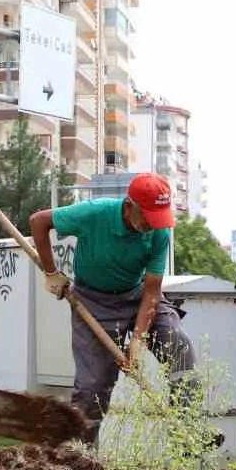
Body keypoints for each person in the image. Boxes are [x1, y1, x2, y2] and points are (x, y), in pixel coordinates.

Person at [28, 173, 196, 445]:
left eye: (159, 219)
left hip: (138, 295)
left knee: (179, 344)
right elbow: (39, 221)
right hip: (92, 301)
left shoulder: (158, 232)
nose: (153, 225)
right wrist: (51, 272)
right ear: (129, 207)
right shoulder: (95, 213)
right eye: (149, 218)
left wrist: (137, 342)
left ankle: (187, 433)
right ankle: (79, 456)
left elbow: (152, 291)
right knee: (92, 387)